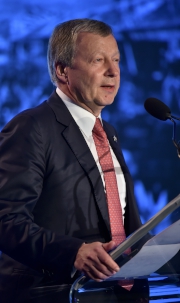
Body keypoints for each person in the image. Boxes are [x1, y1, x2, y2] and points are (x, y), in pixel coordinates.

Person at [0, 19, 148, 303]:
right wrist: (73, 251)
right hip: (54, 294)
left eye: (116, 60)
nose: (113, 71)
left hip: (116, 294)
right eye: (98, 60)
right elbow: (5, 219)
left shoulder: (109, 133)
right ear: (62, 70)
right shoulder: (31, 127)